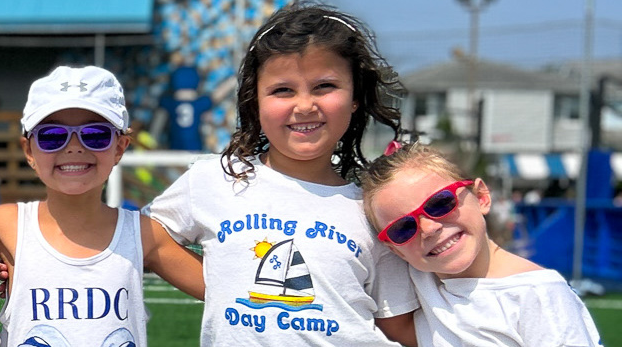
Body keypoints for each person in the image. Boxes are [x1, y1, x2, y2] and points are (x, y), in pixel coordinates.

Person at [141, 2, 420, 345]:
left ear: (355, 98)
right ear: (254, 102)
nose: (304, 105)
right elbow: (150, 239)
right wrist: (223, 290)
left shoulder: (374, 206)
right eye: (282, 90)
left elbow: (400, 327)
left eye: (324, 86)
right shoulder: (212, 180)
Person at [0, 66, 206, 347]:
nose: (74, 146)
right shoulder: (2, 225)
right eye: (52, 136)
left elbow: (229, 292)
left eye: (95, 134)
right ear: (29, 151)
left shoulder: (143, 232)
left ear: (120, 147)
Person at [360, 142, 603, 346]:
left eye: (440, 203)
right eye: (403, 229)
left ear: (481, 197)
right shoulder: (419, 282)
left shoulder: (539, 294)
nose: (429, 228)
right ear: (394, 250)